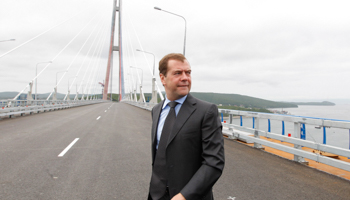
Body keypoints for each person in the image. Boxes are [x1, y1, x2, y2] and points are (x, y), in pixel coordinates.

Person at [148, 53, 225, 200]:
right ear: (162, 78)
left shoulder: (206, 111)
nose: (185, 77)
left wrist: (184, 196)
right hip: (156, 195)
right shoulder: (156, 110)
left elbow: (213, 162)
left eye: (188, 72)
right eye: (178, 73)